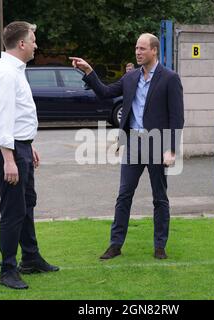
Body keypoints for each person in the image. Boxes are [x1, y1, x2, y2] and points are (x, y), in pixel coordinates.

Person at [70, 33, 184, 260]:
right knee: (124, 195)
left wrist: (171, 149)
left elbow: (177, 117)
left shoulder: (170, 78)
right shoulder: (131, 78)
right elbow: (105, 92)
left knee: (159, 198)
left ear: (154, 51)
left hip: (157, 143)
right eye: (136, 48)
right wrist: (89, 71)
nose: (138, 52)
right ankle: (115, 245)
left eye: (142, 49)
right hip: (133, 143)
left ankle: (160, 245)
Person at [0, 21, 59, 290]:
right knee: (14, 211)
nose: (37, 44)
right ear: (22, 44)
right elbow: (2, 119)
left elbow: (17, 116)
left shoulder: (15, 70)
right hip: (9, 149)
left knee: (27, 204)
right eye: (34, 39)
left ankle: (30, 258)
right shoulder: (6, 72)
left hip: (20, 146)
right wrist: (9, 158)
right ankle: (7, 269)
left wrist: (29, 145)